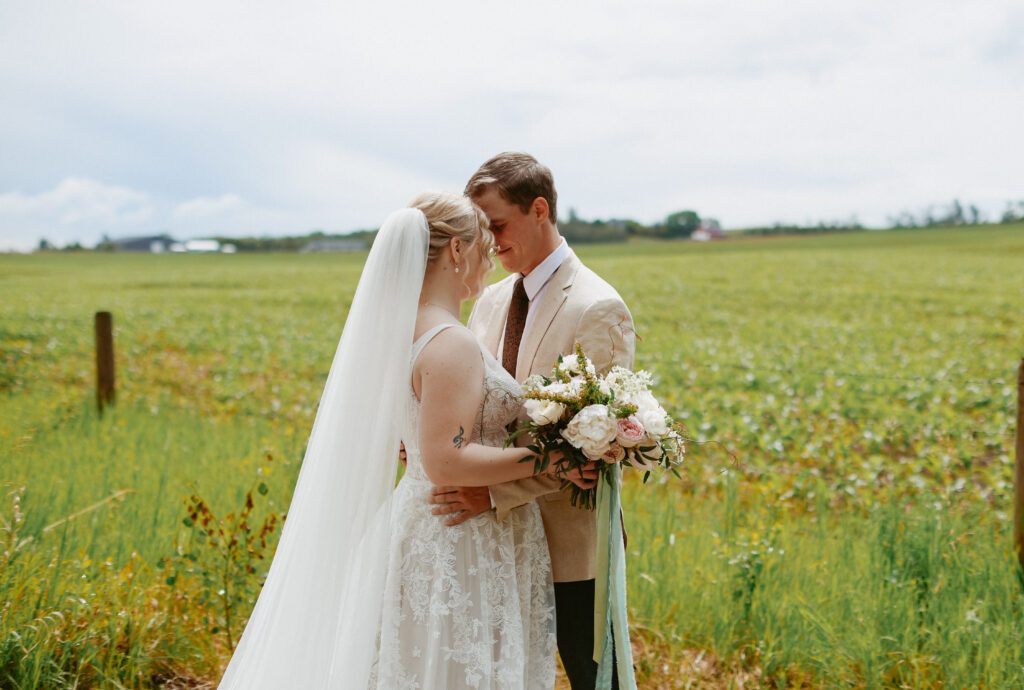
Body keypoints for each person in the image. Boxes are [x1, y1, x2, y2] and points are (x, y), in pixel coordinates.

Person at [218, 191, 591, 689]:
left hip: (421, 522)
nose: (489, 261)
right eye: (482, 247)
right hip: (459, 537)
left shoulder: (400, 332)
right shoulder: (452, 342)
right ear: (455, 251)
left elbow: (418, 437)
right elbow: (446, 461)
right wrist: (551, 460)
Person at [429, 153, 636, 689]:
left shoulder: (597, 307)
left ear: (539, 209)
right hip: (493, 541)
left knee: (594, 676)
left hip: (571, 537)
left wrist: (493, 494)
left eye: (497, 225)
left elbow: (597, 450)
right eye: (480, 229)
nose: (489, 242)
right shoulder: (490, 301)